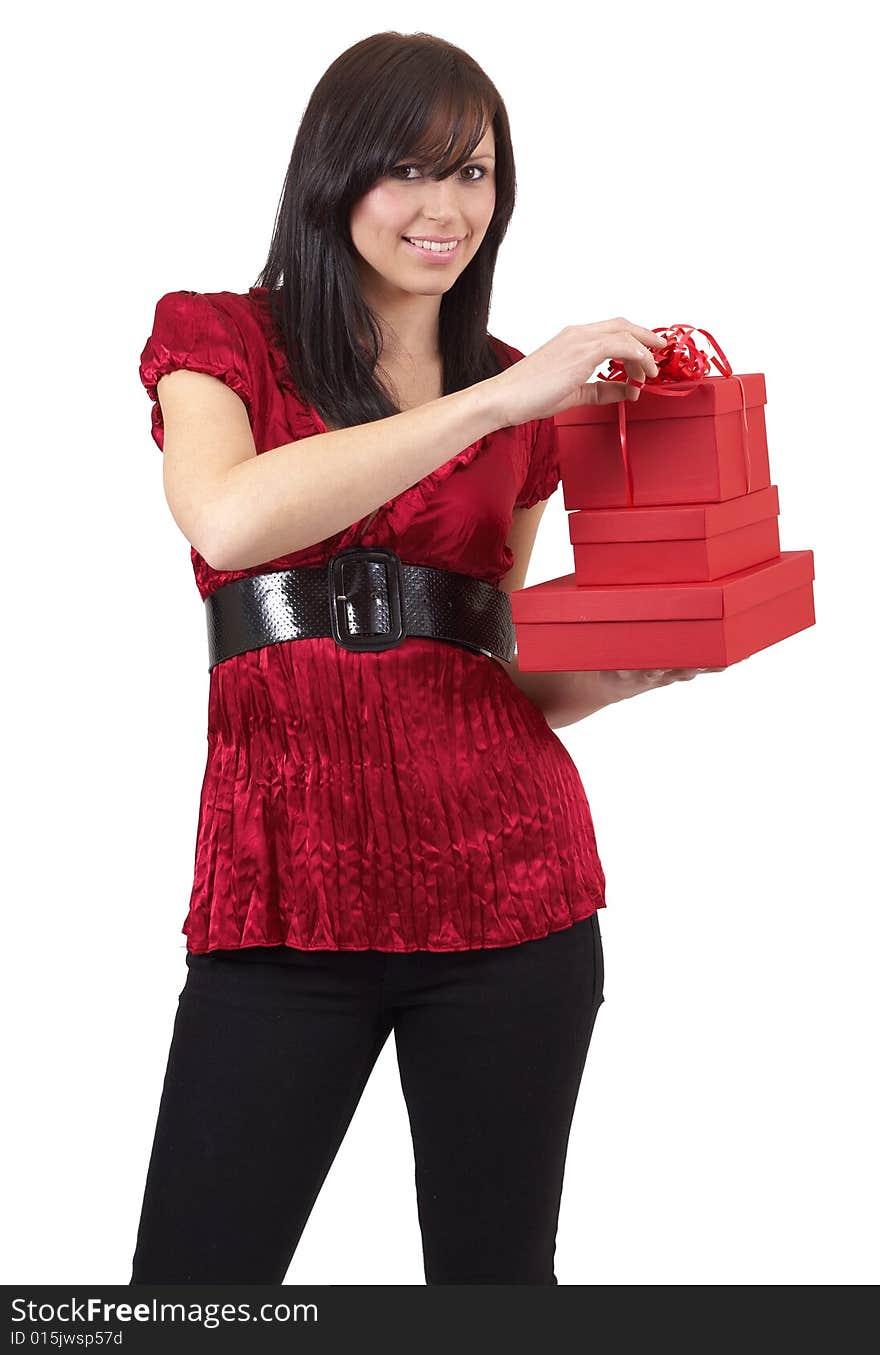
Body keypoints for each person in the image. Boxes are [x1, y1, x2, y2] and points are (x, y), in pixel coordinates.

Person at [128, 30, 720, 1286]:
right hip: (282, 901)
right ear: (332, 178)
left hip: (515, 899)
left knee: (495, 1285)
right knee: (190, 1293)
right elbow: (228, 518)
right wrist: (500, 400)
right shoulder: (221, 339)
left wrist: (628, 669)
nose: (444, 208)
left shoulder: (515, 396)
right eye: (405, 170)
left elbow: (495, 665)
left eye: (474, 173)